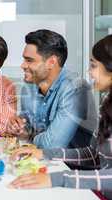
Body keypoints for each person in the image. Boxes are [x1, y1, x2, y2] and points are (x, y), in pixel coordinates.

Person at [9, 34, 112, 199]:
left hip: (82, 178)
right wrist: (44, 154)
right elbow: (94, 156)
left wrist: (57, 178)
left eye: (93, 65)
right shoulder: (107, 102)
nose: (89, 72)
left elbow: (53, 143)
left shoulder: (76, 87)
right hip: (95, 188)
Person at [9, 29, 96, 149]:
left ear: (51, 62)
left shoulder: (75, 88)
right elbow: (27, 126)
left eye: (29, 60)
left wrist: (29, 137)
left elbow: (53, 145)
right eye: (24, 60)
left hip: (72, 165)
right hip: (40, 161)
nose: (22, 65)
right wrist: (19, 128)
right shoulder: (30, 85)